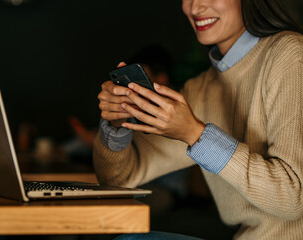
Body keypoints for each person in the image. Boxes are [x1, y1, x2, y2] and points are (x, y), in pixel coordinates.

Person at [93, 0, 303, 239]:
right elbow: (118, 179)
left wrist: (196, 134)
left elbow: (294, 199)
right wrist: (117, 124)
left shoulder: (291, 53)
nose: (195, 7)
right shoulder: (200, 89)